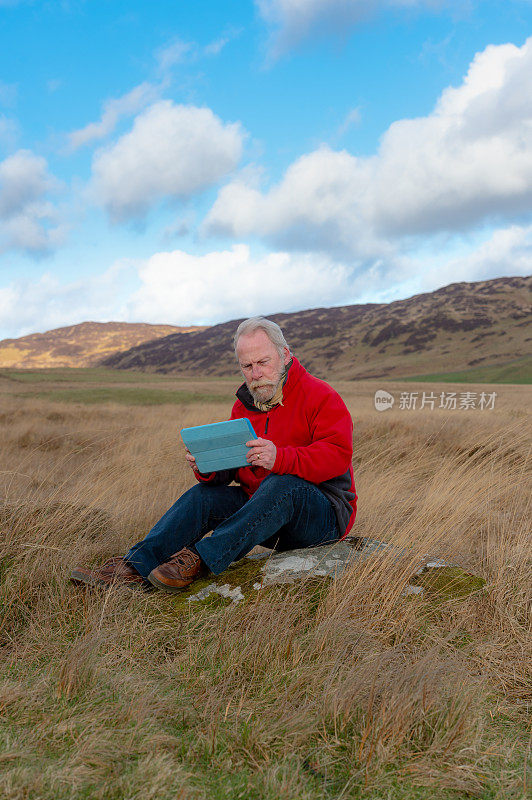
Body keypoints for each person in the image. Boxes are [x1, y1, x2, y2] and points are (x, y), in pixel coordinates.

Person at [70, 317, 357, 593]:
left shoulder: (321, 395)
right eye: (246, 366)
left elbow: (337, 457)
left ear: (284, 355)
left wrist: (278, 458)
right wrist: (206, 465)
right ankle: (133, 568)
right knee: (202, 496)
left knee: (281, 483)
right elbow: (231, 471)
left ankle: (199, 560)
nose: (255, 374)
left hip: (322, 517)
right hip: (262, 513)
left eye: (263, 362)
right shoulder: (245, 405)